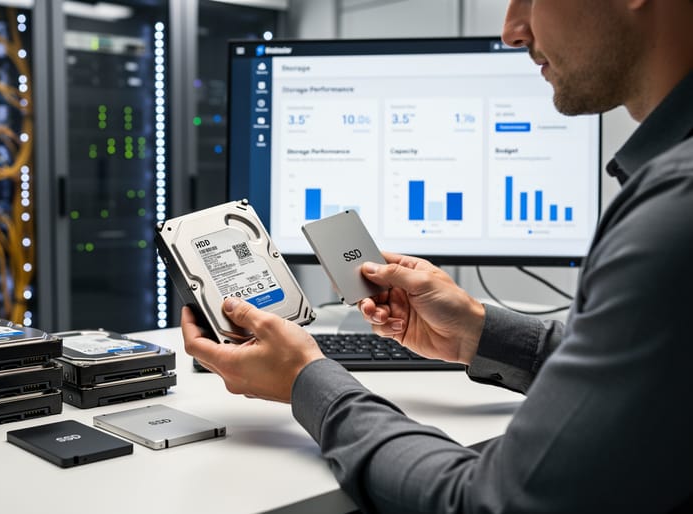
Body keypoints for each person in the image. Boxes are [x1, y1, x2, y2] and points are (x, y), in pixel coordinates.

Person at [182, 0, 693, 512]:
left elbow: (487, 503)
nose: (513, 31)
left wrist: (306, 382)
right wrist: (476, 328)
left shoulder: (674, 206)